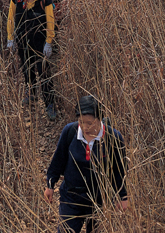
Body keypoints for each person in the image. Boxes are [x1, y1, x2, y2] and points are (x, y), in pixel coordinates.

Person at [44, 95, 128, 233]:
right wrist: (50, 185)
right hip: (71, 197)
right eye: (81, 122)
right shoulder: (70, 131)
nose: (84, 127)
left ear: (99, 119)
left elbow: (120, 170)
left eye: (89, 123)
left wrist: (122, 197)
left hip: (100, 199)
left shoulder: (114, 137)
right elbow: (58, 160)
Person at [6, 0, 57, 120]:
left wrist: (49, 42)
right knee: (27, 67)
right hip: (23, 39)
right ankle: (32, 92)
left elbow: (50, 21)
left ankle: (50, 104)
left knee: (44, 72)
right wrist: (11, 38)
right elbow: (10, 18)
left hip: (40, 40)